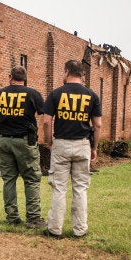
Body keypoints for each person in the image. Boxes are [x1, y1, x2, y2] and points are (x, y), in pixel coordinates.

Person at [42, 60, 102, 239]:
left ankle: (54, 229)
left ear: (67, 72)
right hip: (82, 144)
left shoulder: (56, 94)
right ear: (82, 74)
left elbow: (46, 121)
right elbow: (97, 125)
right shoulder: (92, 95)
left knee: (59, 188)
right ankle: (80, 230)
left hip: (61, 143)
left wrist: (49, 142)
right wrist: (94, 147)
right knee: (80, 188)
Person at [0, 66, 46, 229]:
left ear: (10, 76)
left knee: (9, 179)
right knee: (32, 179)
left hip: (5, 141)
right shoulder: (32, 93)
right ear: (24, 78)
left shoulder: (0, 94)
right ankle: (33, 219)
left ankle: (12, 217)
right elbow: (44, 113)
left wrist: (5, 119)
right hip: (25, 141)